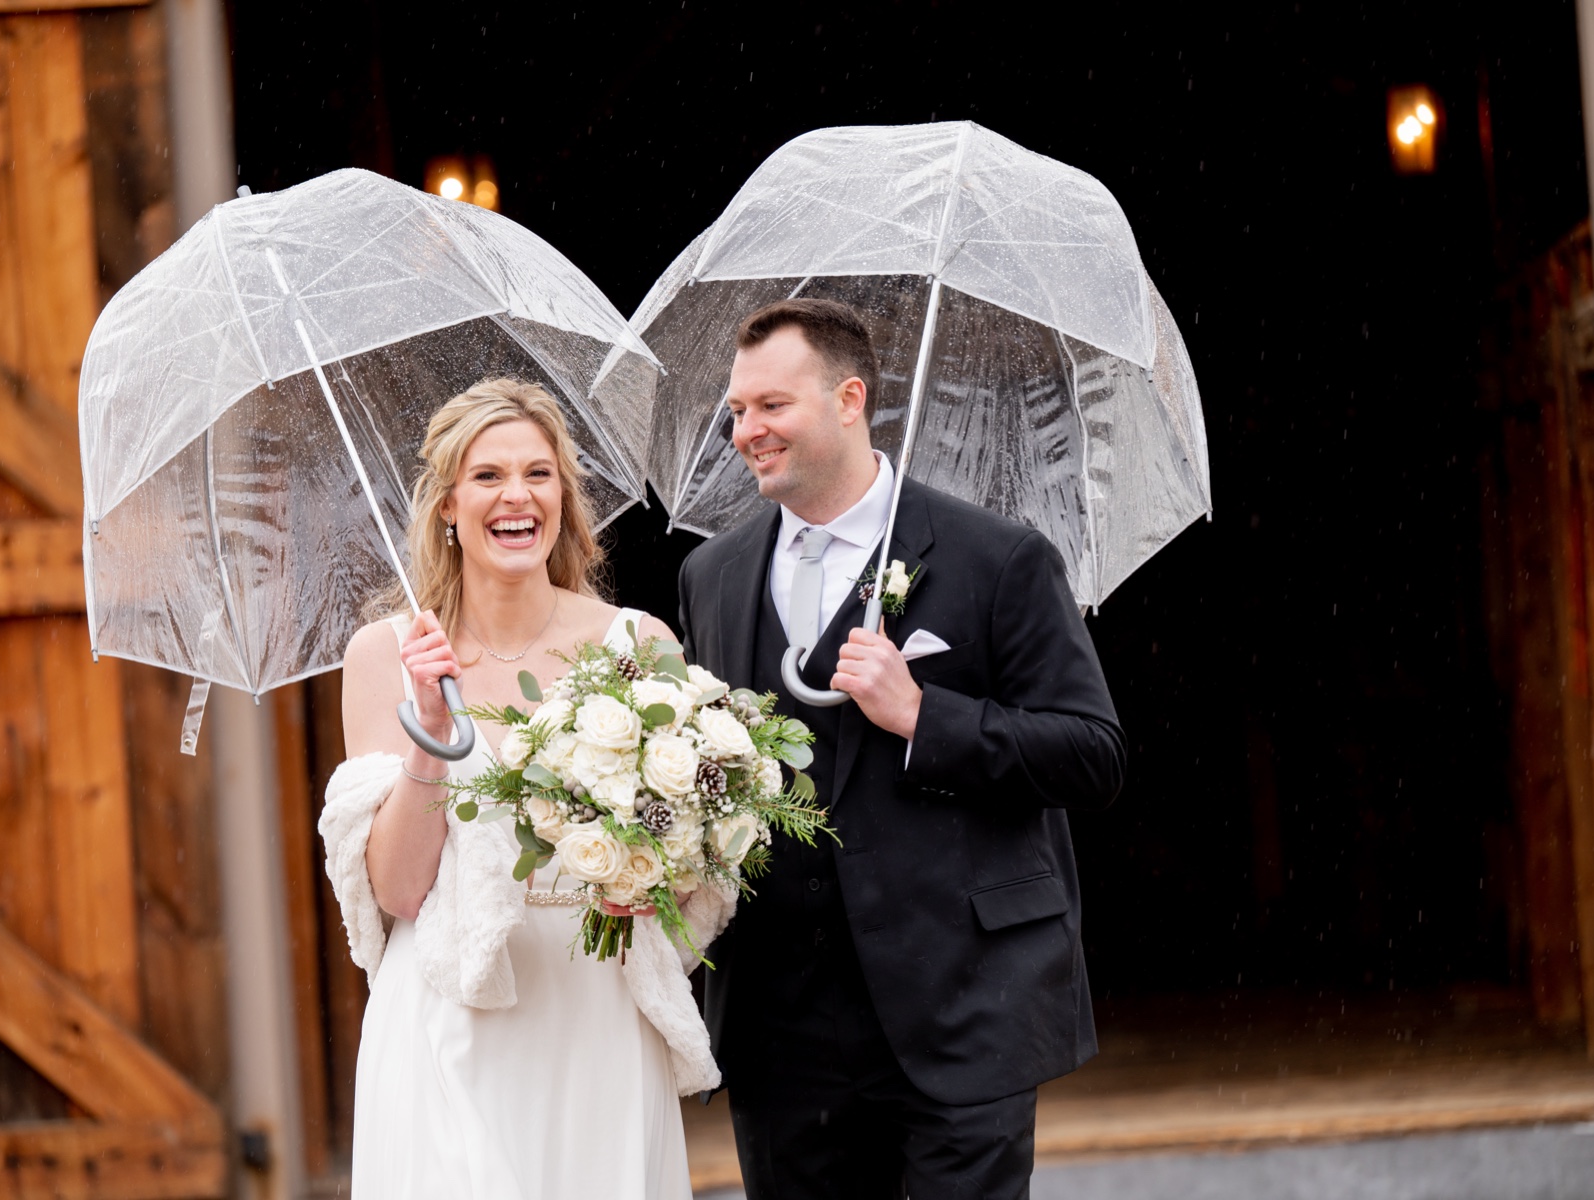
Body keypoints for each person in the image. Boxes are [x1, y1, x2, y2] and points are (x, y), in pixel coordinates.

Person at [677, 299, 1126, 1199]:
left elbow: (1092, 753)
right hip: (782, 1025)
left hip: (962, 1002)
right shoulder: (711, 574)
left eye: (771, 407)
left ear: (851, 399)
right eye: (736, 412)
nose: (745, 432)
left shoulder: (997, 558)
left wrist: (927, 717)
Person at [319, 377, 727, 1200]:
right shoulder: (385, 655)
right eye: (488, 476)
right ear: (447, 505)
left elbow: (691, 858)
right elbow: (397, 890)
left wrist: (654, 877)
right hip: (450, 1012)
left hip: (597, 1011)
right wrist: (430, 734)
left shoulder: (636, 644)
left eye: (540, 474)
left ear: (566, 501)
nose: (517, 497)